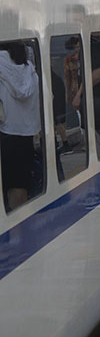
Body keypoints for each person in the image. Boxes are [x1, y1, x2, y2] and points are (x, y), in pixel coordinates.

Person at [0, 41, 42, 211]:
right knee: (20, 184)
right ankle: (19, 219)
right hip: (25, 136)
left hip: (5, 133)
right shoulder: (31, 71)